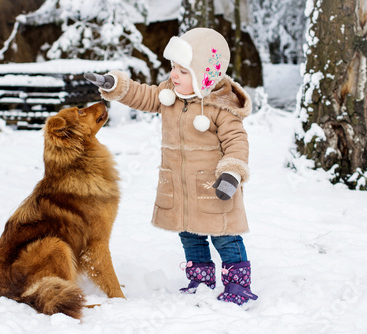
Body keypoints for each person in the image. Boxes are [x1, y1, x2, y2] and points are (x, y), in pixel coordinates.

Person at [85, 27, 257, 306]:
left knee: (225, 236)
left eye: (183, 70)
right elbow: (141, 95)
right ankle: (201, 279)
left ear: (205, 75)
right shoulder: (168, 95)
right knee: (189, 235)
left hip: (214, 188)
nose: (173, 74)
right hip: (180, 188)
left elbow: (237, 142)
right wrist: (112, 84)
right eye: (173, 67)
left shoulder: (221, 107)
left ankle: (238, 285)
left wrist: (232, 173)